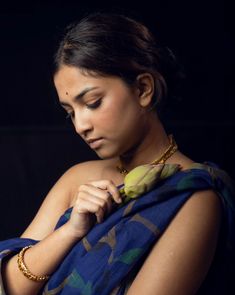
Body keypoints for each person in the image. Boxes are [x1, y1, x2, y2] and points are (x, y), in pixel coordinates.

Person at [0, 12, 234, 295]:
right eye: (70, 113)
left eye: (93, 102)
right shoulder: (78, 178)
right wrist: (70, 231)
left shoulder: (194, 197)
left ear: (143, 89)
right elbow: (9, 286)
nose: (80, 126)